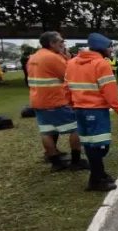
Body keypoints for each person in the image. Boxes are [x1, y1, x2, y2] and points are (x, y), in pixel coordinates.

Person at [65, 33, 118, 191]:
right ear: (102, 47)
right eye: (109, 47)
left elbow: (66, 88)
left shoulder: (71, 63)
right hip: (96, 111)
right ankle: (96, 180)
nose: (111, 50)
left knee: (89, 144)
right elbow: (110, 92)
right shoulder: (101, 64)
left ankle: (100, 175)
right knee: (100, 146)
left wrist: (72, 104)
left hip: (80, 110)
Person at [27, 32, 89, 171]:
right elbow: (69, 75)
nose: (63, 44)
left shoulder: (33, 57)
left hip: (38, 100)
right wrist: (67, 59)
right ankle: (76, 160)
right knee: (77, 126)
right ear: (52, 43)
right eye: (61, 41)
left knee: (47, 131)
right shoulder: (53, 58)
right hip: (55, 100)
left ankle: (55, 162)